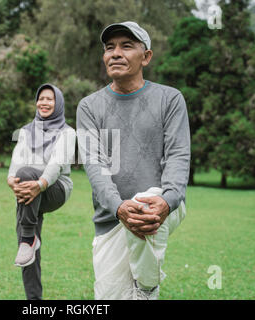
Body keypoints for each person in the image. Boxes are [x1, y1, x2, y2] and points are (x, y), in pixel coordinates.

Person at [76, 21, 191, 300]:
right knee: (108, 297)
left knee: (147, 198)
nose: (115, 53)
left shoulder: (170, 99)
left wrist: (167, 200)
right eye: (109, 48)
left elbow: (178, 154)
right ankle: (148, 285)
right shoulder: (89, 107)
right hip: (111, 217)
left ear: (146, 56)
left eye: (126, 46)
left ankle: (146, 288)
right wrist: (118, 207)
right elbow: (95, 164)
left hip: (163, 208)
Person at [7, 83, 76, 300]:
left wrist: (40, 184)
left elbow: (56, 165)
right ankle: (34, 301)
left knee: (27, 173)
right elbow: (17, 159)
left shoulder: (68, 132)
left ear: (58, 104)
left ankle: (28, 236)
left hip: (55, 189)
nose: (44, 103)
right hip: (29, 190)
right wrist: (12, 181)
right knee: (26, 253)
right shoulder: (27, 131)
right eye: (41, 98)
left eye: (49, 99)